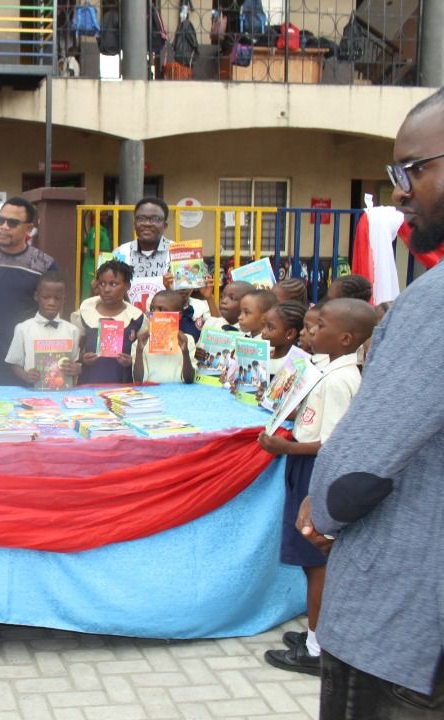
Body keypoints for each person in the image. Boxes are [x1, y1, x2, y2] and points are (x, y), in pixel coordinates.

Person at [300, 90, 444, 717]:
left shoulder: (433, 304)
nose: (398, 191)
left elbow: (357, 470)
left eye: (411, 169)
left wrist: (321, 511)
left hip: (401, 628)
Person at [257, 298, 376, 677]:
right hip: (306, 464)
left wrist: (286, 448)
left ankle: (317, 647)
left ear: (345, 338)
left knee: (317, 563)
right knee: (312, 561)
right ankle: (315, 632)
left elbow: (332, 443)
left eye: (319, 326)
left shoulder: (341, 380)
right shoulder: (325, 367)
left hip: (316, 469)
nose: (310, 331)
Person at [0, 197, 57, 387]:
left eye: (12, 223)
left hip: (26, 362)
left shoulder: (45, 265)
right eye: (0, 220)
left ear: (29, 228)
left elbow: (54, 311)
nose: (4, 227)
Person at [72, 259, 143, 384]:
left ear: (127, 286)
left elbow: (144, 358)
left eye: (113, 284)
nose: (106, 289)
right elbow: (75, 351)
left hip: (123, 387)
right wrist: (83, 359)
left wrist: (131, 361)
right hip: (89, 385)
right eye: (102, 284)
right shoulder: (84, 313)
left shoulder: (137, 318)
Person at [4, 272, 81, 388]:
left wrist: (77, 369)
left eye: (57, 298)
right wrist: (25, 375)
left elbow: (74, 362)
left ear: (64, 299)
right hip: (32, 391)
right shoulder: (23, 329)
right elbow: (14, 363)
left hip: (63, 392)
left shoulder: (73, 331)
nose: (51, 303)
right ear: (37, 296)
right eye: (46, 297)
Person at [132, 290, 195, 384]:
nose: (155, 313)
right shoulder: (141, 342)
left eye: (161, 309)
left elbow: (189, 379)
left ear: (178, 315)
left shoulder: (187, 340)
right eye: (152, 309)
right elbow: (138, 380)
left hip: (179, 392)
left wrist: (185, 352)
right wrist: (139, 351)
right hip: (151, 392)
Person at [114, 197, 172, 279]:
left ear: (165, 226)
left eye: (155, 219)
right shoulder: (120, 252)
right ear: (134, 224)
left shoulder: (179, 253)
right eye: (141, 218)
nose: (147, 224)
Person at [261, 301, 306, 375]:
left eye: (270, 328)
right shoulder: (264, 352)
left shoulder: (291, 367)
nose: (263, 331)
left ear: (290, 334)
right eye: (263, 325)